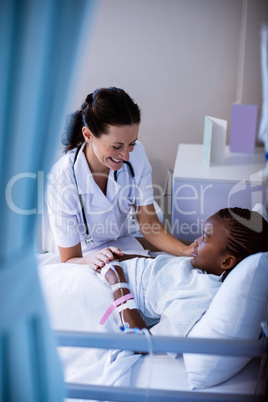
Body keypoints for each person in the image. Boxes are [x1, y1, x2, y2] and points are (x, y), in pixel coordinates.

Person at [46, 87, 194, 269]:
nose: (126, 155)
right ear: (88, 135)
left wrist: (184, 251)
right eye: (116, 146)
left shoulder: (137, 156)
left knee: (183, 262)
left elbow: (148, 225)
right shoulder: (62, 180)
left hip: (123, 242)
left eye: (131, 143)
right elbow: (69, 259)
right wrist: (92, 259)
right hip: (84, 256)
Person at [99, 208, 268, 335]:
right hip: (110, 267)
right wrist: (120, 257)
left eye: (204, 238)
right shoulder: (201, 267)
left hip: (112, 289)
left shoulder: (202, 295)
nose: (196, 241)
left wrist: (117, 281)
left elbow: (141, 342)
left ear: (226, 261)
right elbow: (160, 266)